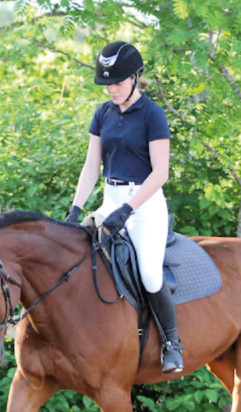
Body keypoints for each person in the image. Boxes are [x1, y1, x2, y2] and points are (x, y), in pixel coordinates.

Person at [64, 41, 183, 374]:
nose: (111, 89)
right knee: (74, 255)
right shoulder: (102, 113)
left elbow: (161, 173)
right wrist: (76, 207)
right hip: (110, 198)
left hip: (144, 203)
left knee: (148, 272)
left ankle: (172, 343)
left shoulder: (152, 114)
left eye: (117, 82)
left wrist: (128, 210)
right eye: (107, 84)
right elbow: (91, 166)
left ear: (135, 78)